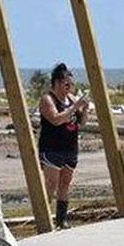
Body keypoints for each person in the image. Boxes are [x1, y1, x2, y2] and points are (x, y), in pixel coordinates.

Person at [38, 63, 89, 229]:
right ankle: (44, 217)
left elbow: (81, 123)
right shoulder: (48, 99)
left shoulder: (72, 99)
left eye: (72, 84)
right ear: (58, 83)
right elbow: (55, 119)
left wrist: (85, 109)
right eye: (67, 84)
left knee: (65, 183)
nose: (70, 87)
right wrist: (74, 107)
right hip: (52, 147)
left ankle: (62, 219)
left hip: (70, 147)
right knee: (51, 183)